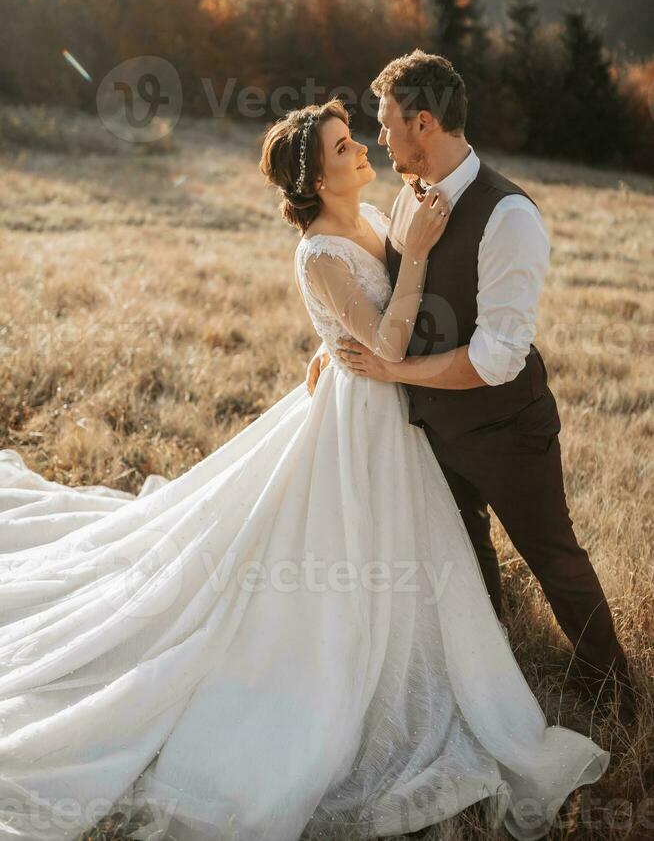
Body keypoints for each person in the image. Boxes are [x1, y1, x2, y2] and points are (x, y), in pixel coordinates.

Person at [0, 97, 610, 841]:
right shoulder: (318, 250)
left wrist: (336, 332)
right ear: (319, 180)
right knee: (346, 555)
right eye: (345, 148)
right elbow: (385, 347)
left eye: (357, 140)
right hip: (363, 418)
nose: (362, 153)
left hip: (391, 411)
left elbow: (373, 326)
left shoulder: (376, 216)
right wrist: (409, 260)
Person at [308, 52, 634, 729]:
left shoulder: (509, 216)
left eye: (389, 124)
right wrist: (330, 343)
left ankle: (615, 691)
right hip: (426, 427)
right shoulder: (406, 194)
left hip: (503, 430)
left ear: (422, 122)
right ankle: (492, 670)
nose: (382, 139)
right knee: (464, 552)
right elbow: (385, 290)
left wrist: (395, 373)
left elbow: (496, 360)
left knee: (553, 555)